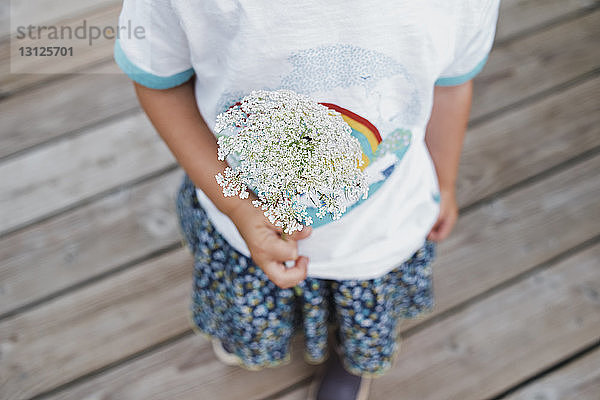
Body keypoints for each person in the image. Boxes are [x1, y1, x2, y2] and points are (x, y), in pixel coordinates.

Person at [113, 1, 500, 399]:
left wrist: (446, 181)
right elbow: (161, 83)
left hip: (380, 227)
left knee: (356, 317)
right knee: (247, 304)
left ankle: (347, 357)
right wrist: (239, 206)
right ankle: (247, 330)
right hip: (238, 211)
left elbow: (452, 84)